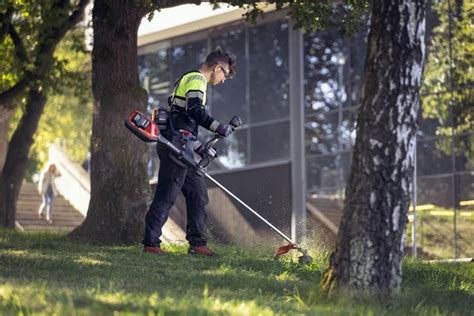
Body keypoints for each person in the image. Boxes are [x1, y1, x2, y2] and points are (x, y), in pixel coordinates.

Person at [142, 49, 237, 256]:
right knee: (166, 194)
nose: (223, 80)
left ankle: (197, 244)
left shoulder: (190, 79)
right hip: (174, 149)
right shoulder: (197, 79)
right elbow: (195, 110)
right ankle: (151, 244)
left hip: (181, 146)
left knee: (198, 194)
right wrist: (218, 127)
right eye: (225, 74)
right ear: (217, 68)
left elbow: (182, 123)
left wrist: (198, 147)